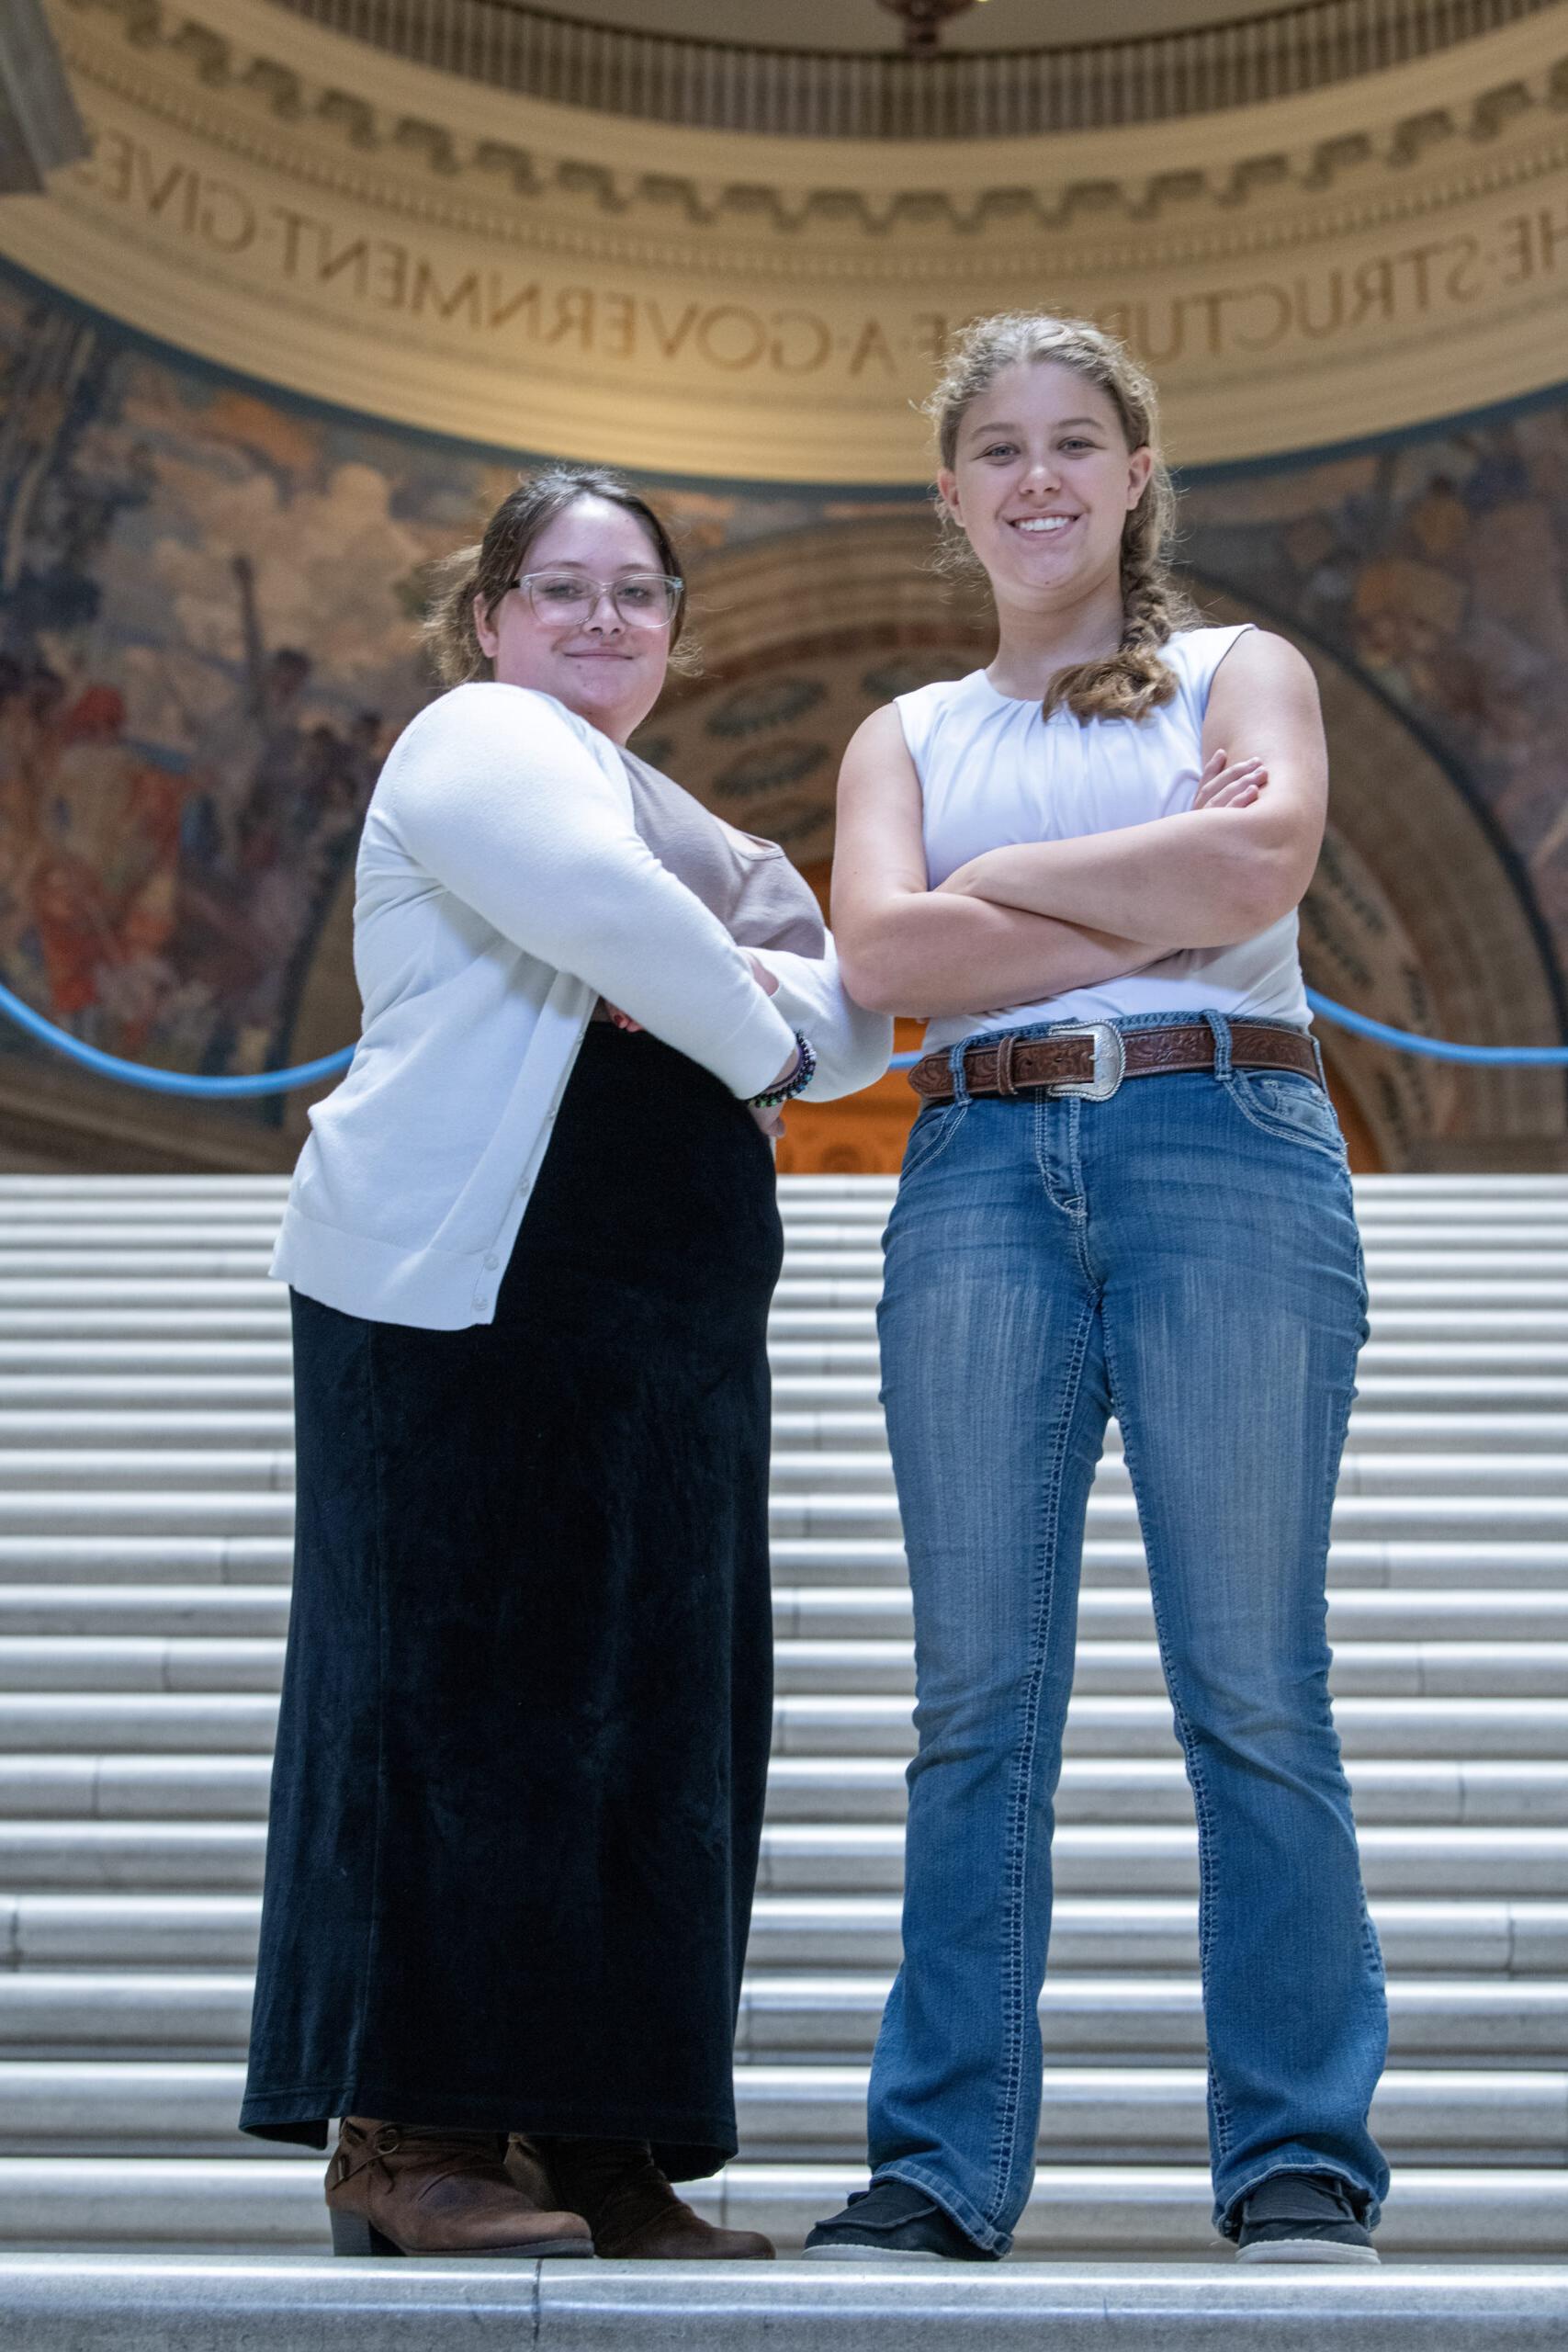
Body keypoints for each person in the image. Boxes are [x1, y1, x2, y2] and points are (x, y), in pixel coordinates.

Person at [239, 462, 889, 2261]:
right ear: (490, 619)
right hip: (458, 1292)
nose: (603, 621)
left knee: (658, 1722)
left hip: (664, 1313)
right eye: (564, 589)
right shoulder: (469, 742)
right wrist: (728, 989)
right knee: (451, 1705)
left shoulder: (678, 813)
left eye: (638, 594)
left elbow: (854, 1020)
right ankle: (414, 2135)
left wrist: (719, 986)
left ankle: (605, 2146)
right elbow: (639, 936)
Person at [806, 313, 1388, 2267]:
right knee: (975, 1693)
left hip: (1223, 1148)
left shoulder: (1244, 669)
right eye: (997, 448)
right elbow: (883, 951)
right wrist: (1134, 875)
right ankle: (939, 2158)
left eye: (1074, 440)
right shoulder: (900, 730)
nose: (1036, 475)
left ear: (1136, 471)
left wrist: (999, 912)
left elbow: (1262, 873)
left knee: (1252, 1679)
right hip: (973, 1170)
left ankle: (1296, 2144)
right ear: (950, 491)